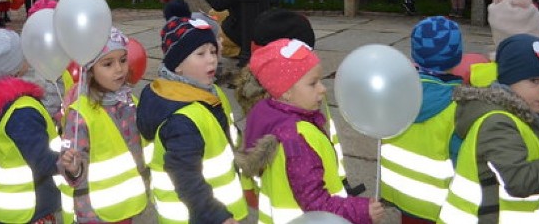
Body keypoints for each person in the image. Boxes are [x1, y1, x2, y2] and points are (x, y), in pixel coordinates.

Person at [240, 39, 384, 224]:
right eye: (313, 83)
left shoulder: (268, 115)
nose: (323, 89)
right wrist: (361, 210)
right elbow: (314, 202)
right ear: (286, 92)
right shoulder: (296, 138)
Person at [136, 17, 248, 223]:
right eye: (200, 54)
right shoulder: (181, 118)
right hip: (198, 215)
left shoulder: (204, 92)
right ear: (177, 66)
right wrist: (215, 215)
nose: (212, 59)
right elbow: (185, 174)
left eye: (213, 51)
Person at [439, 34, 539, 223]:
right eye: (535, 80)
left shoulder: (527, 117)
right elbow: (518, 181)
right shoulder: (498, 122)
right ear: (508, 81)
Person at [0, 29, 62, 223]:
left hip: (2, 208)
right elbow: (42, 161)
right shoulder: (22, 112)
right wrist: (69, 161)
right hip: (32, 207)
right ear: (18, 66)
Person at [58, 28, 148, 222]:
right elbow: (68, 160)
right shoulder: (80, 113)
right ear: (90, 70)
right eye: (108, 63)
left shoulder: (130, 101)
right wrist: (73, 168)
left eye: (123, 60)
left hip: (127, 201)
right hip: (96, 210)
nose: (119, 69)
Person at [380, 17, 463, 224]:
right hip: (439, 202)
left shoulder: (393, 92)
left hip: (401, 191)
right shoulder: (458, 105)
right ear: (458, 57)